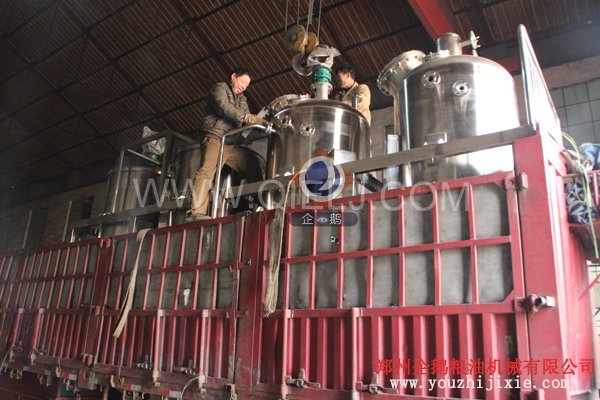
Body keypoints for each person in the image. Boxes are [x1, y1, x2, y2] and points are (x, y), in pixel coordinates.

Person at [189, 68, 265, 220]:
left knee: (251, 162)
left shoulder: (242, 99)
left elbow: (245, 118)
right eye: (242, 81)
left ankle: (262, 201)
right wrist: (248, 118)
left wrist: (260, 122)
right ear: (233, 77)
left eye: (246, 85)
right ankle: (196, 212)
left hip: (230, 142)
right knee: (207, 170)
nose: (243, 86)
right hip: (216, 137)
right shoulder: (219, 88)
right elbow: (224, 107)